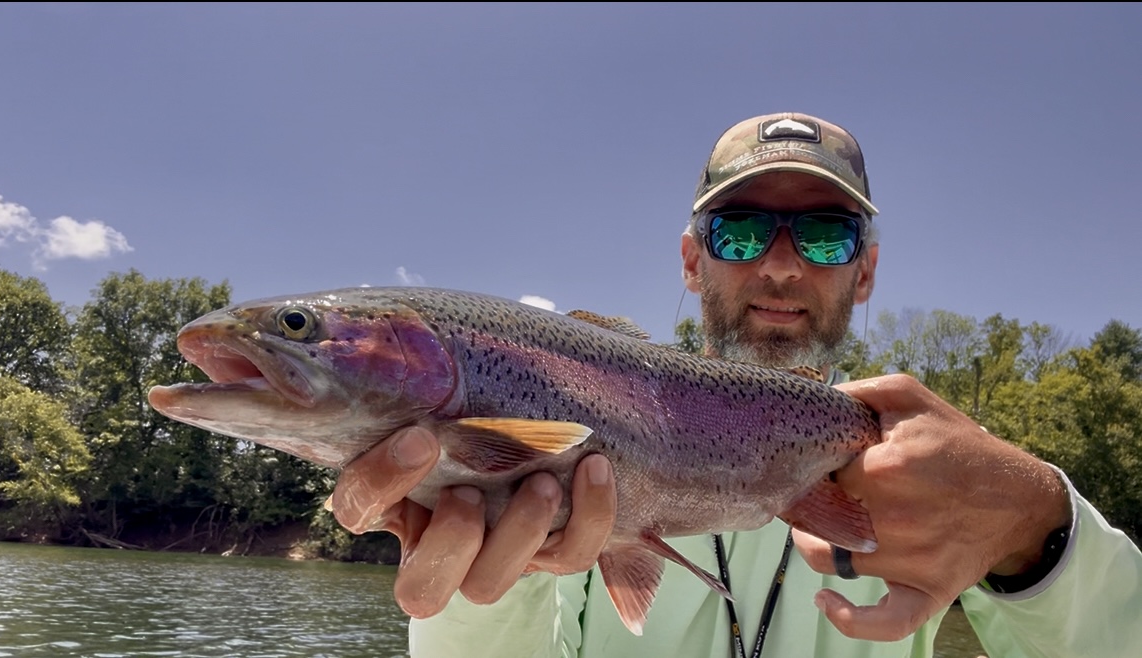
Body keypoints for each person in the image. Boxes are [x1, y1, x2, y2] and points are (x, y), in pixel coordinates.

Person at [329, 112, 1142, 657]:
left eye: (826, 236)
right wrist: (475, 583)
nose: (781, 263)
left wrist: (1038, 531)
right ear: (693, 261)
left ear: (865, 273)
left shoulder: (925, 475)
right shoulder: (573, 433)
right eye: (742, 229)